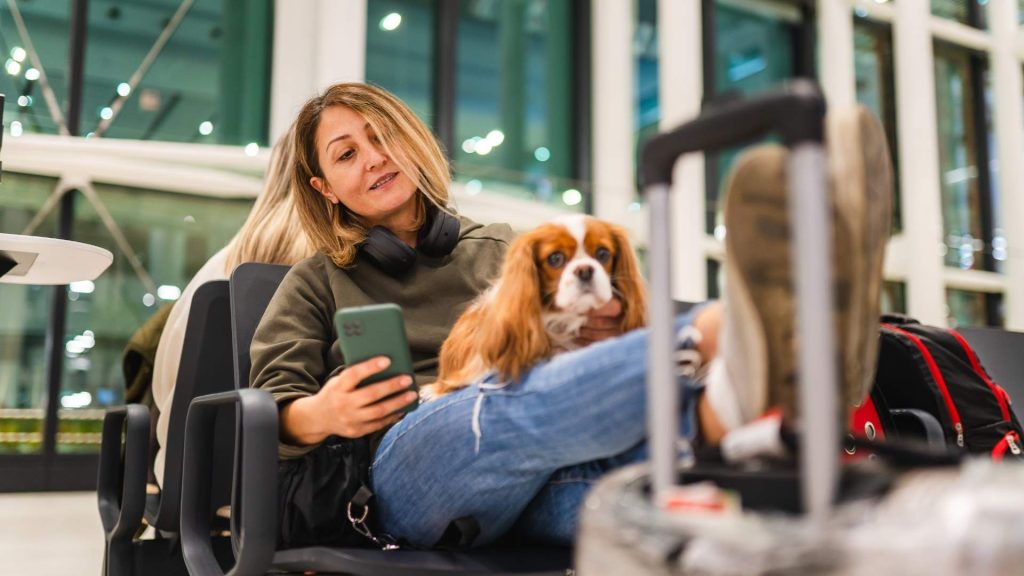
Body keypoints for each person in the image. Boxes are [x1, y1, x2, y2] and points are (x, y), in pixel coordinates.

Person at [250, 82, 892, 547]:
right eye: (346, 153)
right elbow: (265, 411)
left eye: (382, 136)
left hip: (539, 478)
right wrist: (320, 414)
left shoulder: (504, 248)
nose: (374, 157)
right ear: (324, 190)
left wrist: (599, 337)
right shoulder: (314, 283)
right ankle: (736, 336)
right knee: (499, 397)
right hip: (400, 474)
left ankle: (751, 403)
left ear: (413, 141)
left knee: (650, 490)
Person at [150, 126, 315, 488]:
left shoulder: (217, 269)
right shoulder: (342, 274)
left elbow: (165, 392)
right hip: (298, 495)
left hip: (194, 484)